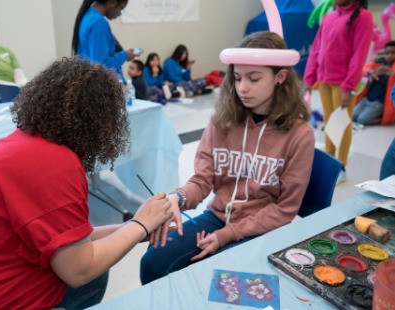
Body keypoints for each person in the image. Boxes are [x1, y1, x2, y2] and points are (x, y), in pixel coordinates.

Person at [0, 58, 173, 309]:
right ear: (102, 122)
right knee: (92, 273)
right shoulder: (56, 164)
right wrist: (140, 224)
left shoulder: (23, 143)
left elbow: (70, 239)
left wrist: (136, 229)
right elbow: (79, 270)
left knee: (96, 261)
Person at [140, 31, 315, 284]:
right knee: (153, 261)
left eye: (254, 78)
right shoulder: (222, 120)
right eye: (236, 78)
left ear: (280, 76)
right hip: (218, 217)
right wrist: (178, 198)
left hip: (263, 229)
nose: (242, 88)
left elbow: (284, 210)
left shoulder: (299, 136)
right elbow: (203, 179)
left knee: (217, 281)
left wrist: (228, 235)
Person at [304, 0, 373, 184]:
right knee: (329, 121)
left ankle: (340, 166)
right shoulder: (329, 16)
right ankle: (329, 161)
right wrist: (309, 78)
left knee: (342, 122)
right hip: (325, 79)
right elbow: (316, 49)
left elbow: (359, 54)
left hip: (344, 83)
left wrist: (349, 86)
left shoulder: (363, 17)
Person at [71, 0, 139, 81]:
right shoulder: (98, 23)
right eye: (121, 9)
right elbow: (101, 66)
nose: (120, 13)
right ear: (112, 3)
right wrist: (125, 55)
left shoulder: (89, 16)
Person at [354, 41, 395, 125]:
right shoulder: (378, 63)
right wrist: (371, 72)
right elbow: (364, 69)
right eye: (387, 53)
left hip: (379, 102)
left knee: (362, 120)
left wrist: (393, 74)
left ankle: (380, 117)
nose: (390, 55)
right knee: (353, 116)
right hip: (368, 99)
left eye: (393, 53)